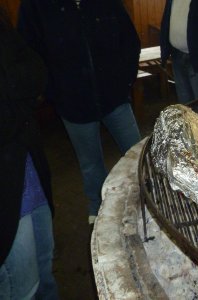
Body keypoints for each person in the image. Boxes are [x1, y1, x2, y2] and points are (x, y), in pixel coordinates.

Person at [18, 0, 142, 224]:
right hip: (73, 102)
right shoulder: (35, 6)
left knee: (136, 151)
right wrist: (55, 92)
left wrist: (125, 82)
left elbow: (129, 40)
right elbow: (29, 52)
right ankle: (99, 206)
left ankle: (147, 196)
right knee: (90, 162)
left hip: (115, 96)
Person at [0, 5, 58, 299]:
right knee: (23, 288)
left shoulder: (3, 25)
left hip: (28, 170)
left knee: (45, 266)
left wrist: (12, 93)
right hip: (6, 194)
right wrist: (18, 95)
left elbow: (38, 70)